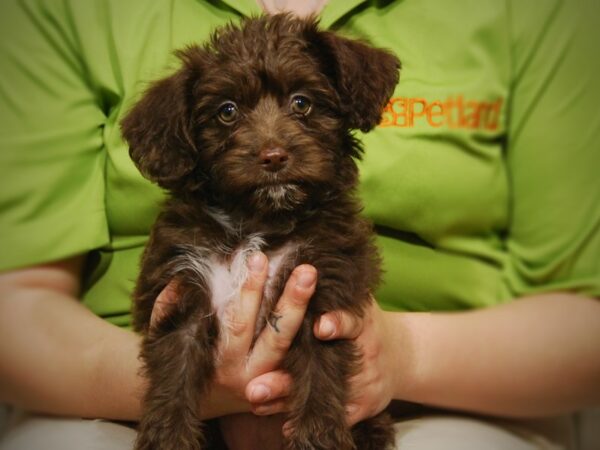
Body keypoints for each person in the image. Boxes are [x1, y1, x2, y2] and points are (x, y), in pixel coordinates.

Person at [1, 0, 599, 449]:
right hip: (114, 399)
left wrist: (405, 356)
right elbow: (17, 302)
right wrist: (182, 390)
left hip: (439, 403)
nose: (272, 145)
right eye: (229, 114)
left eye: (303, 105)